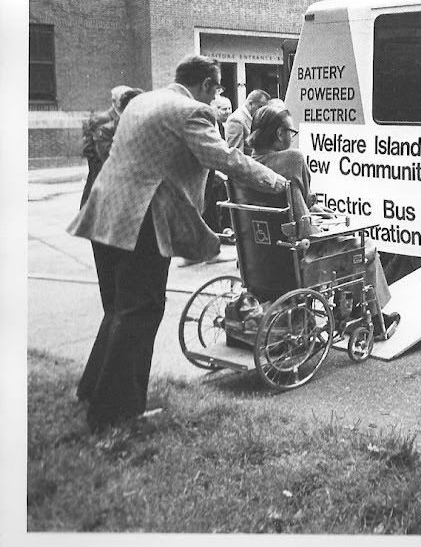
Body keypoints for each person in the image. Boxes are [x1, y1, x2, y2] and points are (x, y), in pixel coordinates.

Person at [68, 56, 288, 432]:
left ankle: (93, 393)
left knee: (118, 308)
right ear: (206, 85)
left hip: (104, 211)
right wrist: (276, 181)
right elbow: (226, 159)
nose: (216, 96)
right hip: (142, 221)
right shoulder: (192, 111)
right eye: (217, 89)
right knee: (141, 310)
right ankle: (116, 414)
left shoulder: (143, 101)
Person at [243, 105, 396, 327]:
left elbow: (296, 204)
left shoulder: (246, 168)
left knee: (346, 243)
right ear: (279, 133)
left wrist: (313, 210)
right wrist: (326, 225)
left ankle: (352, 309)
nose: (292, 137)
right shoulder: (292, 159)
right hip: (298, 258)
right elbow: (306, 222)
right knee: (363, 247)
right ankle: (373, 317)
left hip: (260, 262)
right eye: (291, 132)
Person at [80, 84, 131, 206]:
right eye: (124, 98)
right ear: (115, 101)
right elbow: (90, 148)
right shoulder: (101, 119)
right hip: (101, 170)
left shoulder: (127, 116)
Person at [198, 94, 234, 238]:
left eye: (229, 108)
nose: (227, 112)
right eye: (223, 109)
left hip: (217, 173)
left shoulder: (220, 126)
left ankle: (221, 229)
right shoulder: (202, 126)